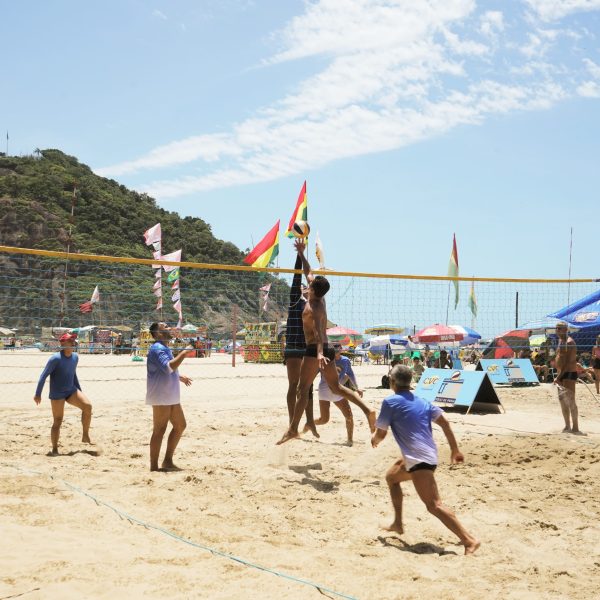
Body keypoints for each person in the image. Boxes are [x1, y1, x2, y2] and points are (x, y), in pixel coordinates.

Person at [371, 364, 480, 555]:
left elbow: (381, 433)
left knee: (434, 505)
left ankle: (469, 540)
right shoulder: (423, 400)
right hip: (426, 455)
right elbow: (445, 423)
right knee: (392, 477)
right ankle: (397, 523)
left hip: (419, 460)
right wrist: (454, 449)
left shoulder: (390, 402)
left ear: (392, 382)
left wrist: (374, 439)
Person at [278, 240, 376, 444]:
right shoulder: (320, 298)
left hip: (316, 350)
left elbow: (318, 335)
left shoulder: (312, 308)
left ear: (313, 290)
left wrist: (320, 353)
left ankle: (293, 429)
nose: (307, 284)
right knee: (337, 388)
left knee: (302, 389)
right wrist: (302, 253)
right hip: (327, 350)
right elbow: (307, 270)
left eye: (309, 285)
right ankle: (368, 410)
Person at [33, 332, 93, 455]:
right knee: (58, 421)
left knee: (88, 406)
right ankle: (55, 449)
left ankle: (85, 435)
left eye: (74, 341)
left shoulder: (75, 357)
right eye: (70, 341)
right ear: (63, 343)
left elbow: (73, 374)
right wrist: (38, 393)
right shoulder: (55, 359)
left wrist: (79, 391)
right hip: (57, 393)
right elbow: (43, 376)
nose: (73, 343)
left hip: (71, 390)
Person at [146, 322, 193, 471]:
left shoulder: (164, 347)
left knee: (180, 425)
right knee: (159, 430)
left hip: (170, 394)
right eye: (165, 326)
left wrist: (180, 377)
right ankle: (154, 467)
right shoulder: (157, 348)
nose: (169, 328)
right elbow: (167, 367)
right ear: (158, 333)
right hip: (161, 396)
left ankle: (167, 461)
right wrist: (184, 353)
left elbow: (167, 368)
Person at [310, 344, 367, 446]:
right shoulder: (325, 359)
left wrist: (357, 388)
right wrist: (306, 385)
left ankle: (350, 440)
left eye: (338, 347)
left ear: (341, 349)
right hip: (324, 389)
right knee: (324, 419)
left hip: (338, 389)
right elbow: (314, 372)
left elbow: (350, 374)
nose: (336, 349)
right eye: (334, 347)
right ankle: (309, 424)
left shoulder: (345, 361)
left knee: (349, 415)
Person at [283, 254, 314, 425]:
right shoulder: (296, 300)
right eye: (303, 287)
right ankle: (291, 421)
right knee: (293, 385)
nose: (305, 287)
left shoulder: (315, 303)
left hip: (308, 348)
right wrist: (299, 255)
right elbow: (297, 277)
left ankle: (309, 421)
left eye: (307, 287)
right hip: (294, 346)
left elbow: (312, 281)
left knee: (307, 388)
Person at [554, 321, 582, 434]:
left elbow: (567, 363)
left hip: (569, 374)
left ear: (565, 330)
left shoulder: (569, 342)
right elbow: (560, 359)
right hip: (561, 373)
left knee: (570, 401)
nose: (557, 331)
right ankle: (567, 426)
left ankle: (576, 428)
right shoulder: (561, 341)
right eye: (556, 328)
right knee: (562, 401)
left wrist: (558, 377)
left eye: (559, 328)